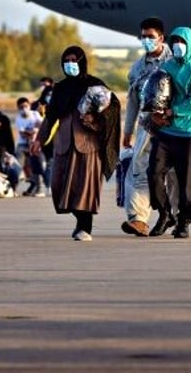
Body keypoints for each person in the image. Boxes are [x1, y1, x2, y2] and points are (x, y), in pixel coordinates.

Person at [30, 46, 121, 241]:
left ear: (82, 61)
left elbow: (111, 109)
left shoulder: (95, 84)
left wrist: (94, 119)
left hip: (88, 144)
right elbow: (51, 117)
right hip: (64, 143)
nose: (70, 64)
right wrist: (39, 139)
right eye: (66, 61)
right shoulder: (60, 88)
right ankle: (80, 220)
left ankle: (84, 226)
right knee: (58, 186)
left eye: (74, 60)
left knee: (84, 188)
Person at [147, 27, 191, 239]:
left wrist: (173, 112)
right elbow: (154, 90)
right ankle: (165, 213)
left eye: (182, 41)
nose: (177, 45)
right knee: (153, 173)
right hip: (165, 131)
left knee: (186, 180)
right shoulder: (166, 67)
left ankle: (184, 220)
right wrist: (153, 112)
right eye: (174, 41)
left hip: (187, 133)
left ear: (190, 44)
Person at [120, 16, 174, 237]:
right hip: (147, 126)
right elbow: (133, 101)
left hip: (174, 125)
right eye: (143, 37)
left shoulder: (175, 62)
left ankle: (177, 215)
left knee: (173, 174)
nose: (146, 41)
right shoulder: (137, 68)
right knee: (138, 169)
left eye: (150, 37)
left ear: (161, 37)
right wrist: (127, 131)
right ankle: (138, 219)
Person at [15, 97, 46, 196]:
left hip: (35, 144)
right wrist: (34, 130)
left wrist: (34, 131)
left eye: (26, 106)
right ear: (18, 108)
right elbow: (23, 133)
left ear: (29, 105)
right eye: (21, 107)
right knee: (17, 166)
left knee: (38, 165)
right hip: (23, 144)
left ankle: (39, 189)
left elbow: (43, 125)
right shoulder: (18, 118)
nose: (24, 108)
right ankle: (14, 187)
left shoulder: (35, 114)